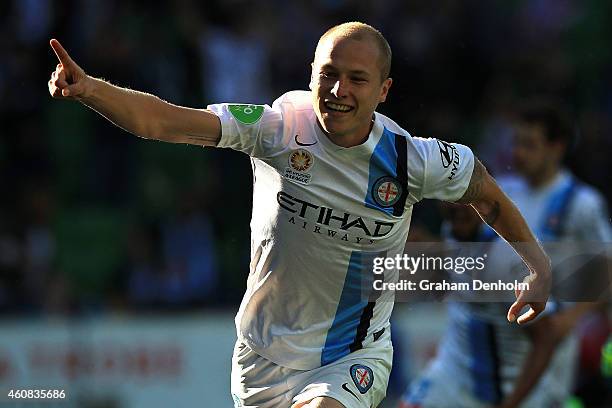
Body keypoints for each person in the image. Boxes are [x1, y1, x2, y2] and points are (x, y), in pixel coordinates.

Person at [48, 22, 551, 408]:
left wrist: (538, 267)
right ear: (311, 73)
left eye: (357, 79)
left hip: (351, 356)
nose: (339, 91)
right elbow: (165, 121)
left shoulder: (410, 160)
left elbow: (486, 193)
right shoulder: (277, 130)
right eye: (328, 75)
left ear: (384, 90)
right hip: (261, 355)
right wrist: (91, 88)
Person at [399, 101, 611, 408]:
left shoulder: (581, 203)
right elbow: (469, 253)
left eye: (529, 144)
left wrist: (571, 318)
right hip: (481, 343)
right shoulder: (499, 192)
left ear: (556, 148)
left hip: (541, 340)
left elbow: (606, 270)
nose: (518, 153)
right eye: (516, 142)